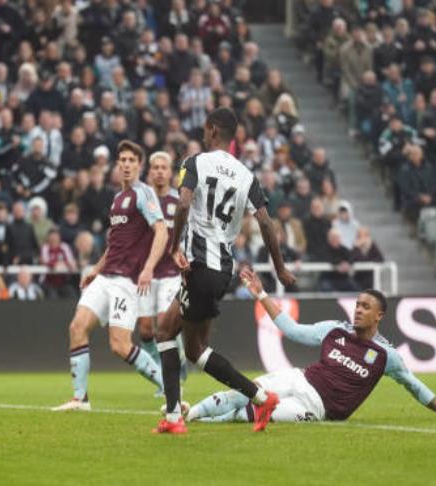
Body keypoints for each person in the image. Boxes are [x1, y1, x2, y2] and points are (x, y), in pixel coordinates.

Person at [153, 107, 296, 434]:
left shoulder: (195, 162)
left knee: (186, 345)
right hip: (221, 271)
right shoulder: (247, 175)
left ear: (214, 130)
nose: (203, 134)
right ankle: (175, 417)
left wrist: (175, 247)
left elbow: (184, 203)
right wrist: (281, 269)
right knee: (173, 334)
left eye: (205, 129)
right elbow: (265, 222)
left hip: (199, 265)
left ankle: (258, 398)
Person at [188, 268, 436, 425]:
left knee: (248, 414)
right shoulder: (335, 330)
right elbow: (291, 329)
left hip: (318, 408)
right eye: (357, 304)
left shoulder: (385, 356)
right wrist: (261, 294)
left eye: (366, 307)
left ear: (379, 316)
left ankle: (204, 420)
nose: (358, 310)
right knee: (245, 391)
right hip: (298, 377)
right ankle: (192, 413)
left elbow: (415, 386)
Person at [52, 140, 167, 412]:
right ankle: (80, 399)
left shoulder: (144, 193)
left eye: (131, 160)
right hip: (106, 278)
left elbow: (161, 231)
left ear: (139, 165)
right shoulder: (117, 199)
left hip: (126, 281)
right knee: (77, 327)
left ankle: (169, 384)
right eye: (122, 160)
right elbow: (115, 243)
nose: (126, 165)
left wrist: (149, 267)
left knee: (119, 345)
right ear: (117, 165)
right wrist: (95, 268)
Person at [136, 151, 184, 378]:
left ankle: (171, 372)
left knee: (165, 324)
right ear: (149, 172)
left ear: (170, 172)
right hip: (146, 273)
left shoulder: (179, 202)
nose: (159, 171)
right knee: (145, 329)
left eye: (164, 167)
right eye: (155, 167)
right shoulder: (141, 200)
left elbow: (186, 235)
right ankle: (159, 368)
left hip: (170, 274)